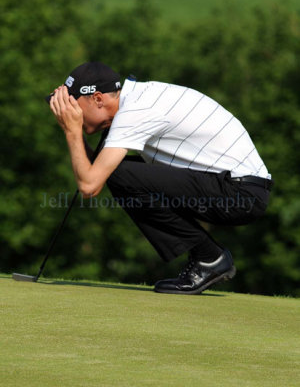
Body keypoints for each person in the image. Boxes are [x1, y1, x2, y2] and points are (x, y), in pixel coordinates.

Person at [47, 61, 273, 295]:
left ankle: (209, 258)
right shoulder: (136, 100)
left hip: (241, 194)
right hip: (237, 187)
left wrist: (72, 132)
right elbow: (95, 170)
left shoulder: (135, 112)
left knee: (120, 175)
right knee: (119, 173)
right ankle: (209, 257)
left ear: (97, 99)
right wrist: (74, 132)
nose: (70, 113)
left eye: (74, 106)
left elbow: (89, 185)